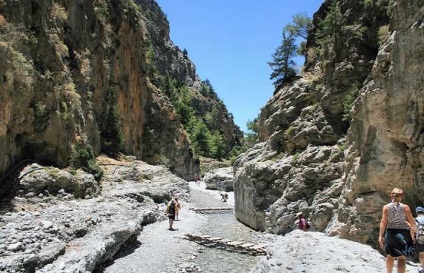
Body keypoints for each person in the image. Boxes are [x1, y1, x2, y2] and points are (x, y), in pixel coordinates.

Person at [378, 188, 417, 273]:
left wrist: (380, 236)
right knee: (401, 257)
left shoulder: (386, 207)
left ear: (391, 195)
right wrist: (414, 232)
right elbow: (412, 221)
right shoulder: (405, 207)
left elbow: (383, 222)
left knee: (389, 256)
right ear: (402, 196)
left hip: (390, 232)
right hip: (403, 233)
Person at [416, 206, 424, 273]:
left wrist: (413, 237)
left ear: (416, 212)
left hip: (420, 238)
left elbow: (414, 229)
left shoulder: (416, 219)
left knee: (421, 253)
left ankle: (423, 267)